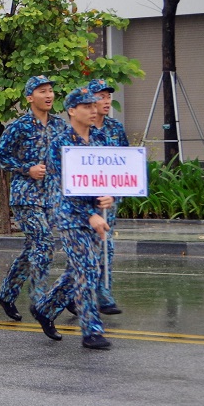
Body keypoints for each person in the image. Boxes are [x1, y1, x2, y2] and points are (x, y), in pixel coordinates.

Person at [30, 86, 115, 350]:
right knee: (87, 269)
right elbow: (61, 189)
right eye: (87, 106)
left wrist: (111, 197)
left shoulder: (101, 140)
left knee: (83, 268)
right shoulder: (60, 144)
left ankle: (45, 308)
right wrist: (89, 215)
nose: (93, 110)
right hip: (70, 216)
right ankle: (91, 331)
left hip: (95, 215)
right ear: (72, 111)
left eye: (94, 105)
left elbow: (111, 176)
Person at [0, 75, 64, 320]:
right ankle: (40, 300)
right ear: (30, 97)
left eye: (50, 90)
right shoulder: (19, 126)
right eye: (42, 91)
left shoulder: (59, 125)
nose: (48, 95)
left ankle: (6, 293)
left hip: (50, 197)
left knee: (33, 247)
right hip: (26, 196)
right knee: (44, 242)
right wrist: (26, 168)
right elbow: (0, 156)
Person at [88, 78, 126, 316]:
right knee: (87, 250)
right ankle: (71, 292)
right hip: (85, 200)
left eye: (108, 96)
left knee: (105, 246)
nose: (106, 101)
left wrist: (115, 193)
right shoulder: (80, 128)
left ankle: (104, 294)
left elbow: (126, 163)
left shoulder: (115, 128)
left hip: (108, 198)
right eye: (101, 96)